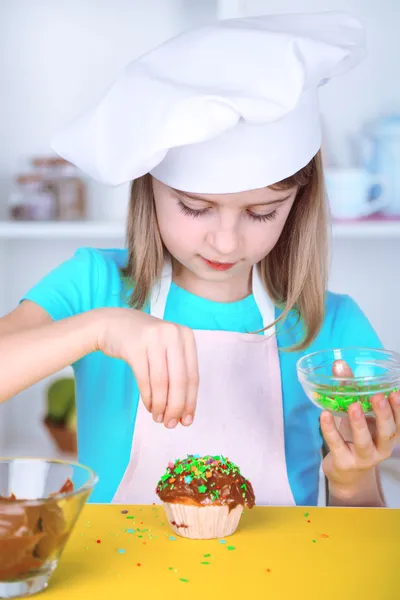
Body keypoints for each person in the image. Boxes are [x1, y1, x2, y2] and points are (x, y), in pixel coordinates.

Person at [0, 12, 398, 506]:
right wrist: (100, 328)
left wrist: (352, 477)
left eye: (261, 213)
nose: (226, 243)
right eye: (195, 207)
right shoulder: (94, 285)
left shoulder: (331, 328)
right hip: (121, 580)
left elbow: (357, 547)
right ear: (151, 187)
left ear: (300, 202)